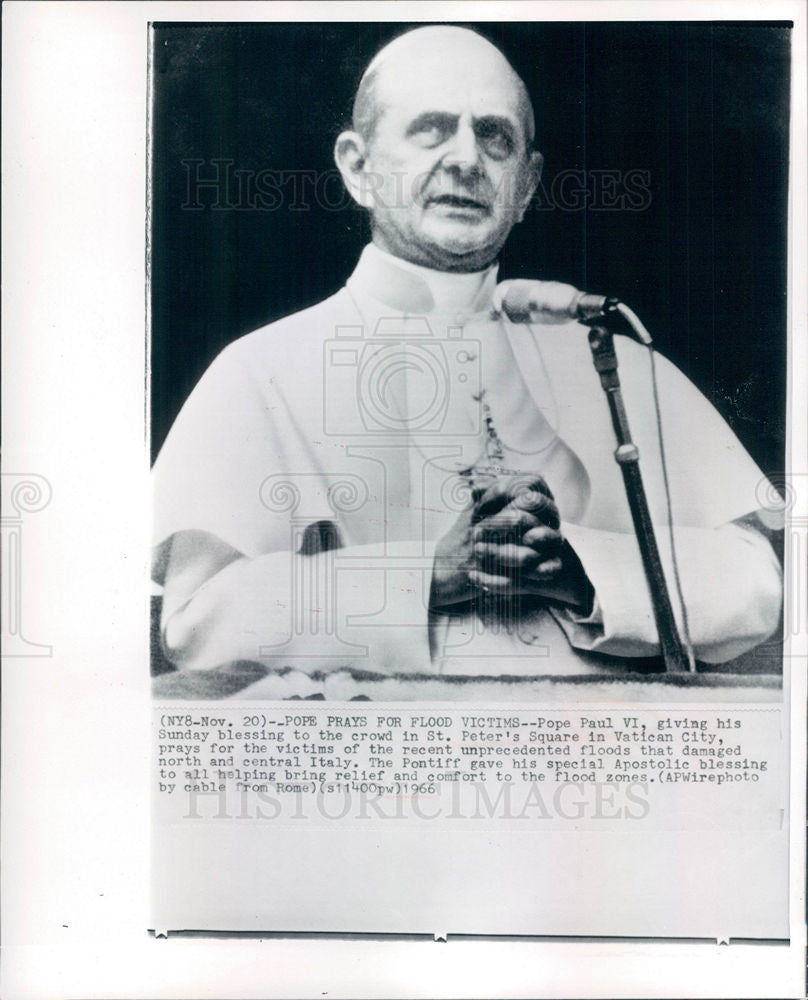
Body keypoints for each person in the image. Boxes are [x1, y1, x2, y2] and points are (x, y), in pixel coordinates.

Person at [152, 26, 782, 699]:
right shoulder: (258, 373)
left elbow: (754, 583)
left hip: (594, 776)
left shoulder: (614, 364)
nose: (466, 159)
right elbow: (198, 623)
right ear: (357, 167)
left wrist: (578, 570)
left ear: (528, 182)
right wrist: (425, 574)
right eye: (430, 130)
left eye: (495, 136)